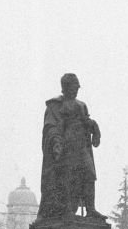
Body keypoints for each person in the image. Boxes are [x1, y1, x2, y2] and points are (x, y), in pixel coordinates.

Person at [37, 73, 104, 220]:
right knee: (67, 175)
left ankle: (90, 208)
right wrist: (56, 141)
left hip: (82, 147)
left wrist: (94, 127)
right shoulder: (55, 106)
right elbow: (51, 126)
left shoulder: (81, 105)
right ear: (65, 88)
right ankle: (66, 208)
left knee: (89, 174)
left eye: (77, 88)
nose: (75, 91)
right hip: (67, 146)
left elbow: (86, 121)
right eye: (73, 88)